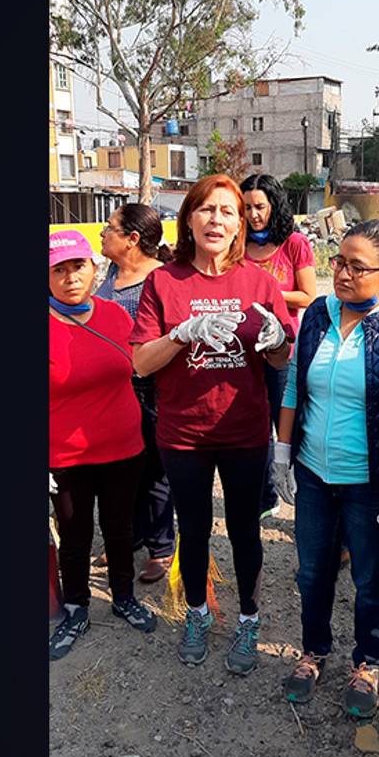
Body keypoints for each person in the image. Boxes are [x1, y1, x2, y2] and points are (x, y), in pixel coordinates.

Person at [271, 220, 379, 719]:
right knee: (311, 571)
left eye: (357, 267)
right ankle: (313, 651)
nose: (341, 274)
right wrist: (282, 452)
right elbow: (292, 390)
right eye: (338, 262)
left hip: (372, 483)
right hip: (315, 476)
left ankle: (367, 663)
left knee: (369, 578)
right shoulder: (320, 315)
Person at [130, 175, 295, 675]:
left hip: (244, 430)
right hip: (184, 434)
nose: (216, 220)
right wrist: (181, 333)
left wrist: (274, 342)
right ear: (189, 220)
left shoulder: (260, 281)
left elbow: (282, 357)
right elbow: (140, 363)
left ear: (241, 222)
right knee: (195, 529)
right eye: (206, 210)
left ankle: (248, 618)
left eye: (228, 211)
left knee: (246, 530)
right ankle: (198, 614)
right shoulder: (164, 281)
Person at [49, 230, 157, 661]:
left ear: (95, 269)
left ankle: (124, 596)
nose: (71, 277)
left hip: (124, 446)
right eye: (59, 270)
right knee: (75, 535)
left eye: (78, 266)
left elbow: (144, 366)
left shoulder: (115, 315)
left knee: (121, 529)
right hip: (65, 454)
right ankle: (76, 607)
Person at [95, 204, 176, 583]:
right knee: (123, 470)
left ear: (132, 239)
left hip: (150, 389)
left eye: (110, 229)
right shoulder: (112, 272)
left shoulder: (160, 279)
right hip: (112, 389)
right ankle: (131, 539)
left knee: (155, 471)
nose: (102, 234)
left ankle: (161, 547)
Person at [240, 173, 318, 520]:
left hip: (283, 349)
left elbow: (309, 296)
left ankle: (308, 501)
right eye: (246, 208)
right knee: (251, 426)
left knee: (286, 422)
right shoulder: (236, 244)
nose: (254, 214)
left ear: (274, 204)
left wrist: (266, 292)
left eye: (260, 206)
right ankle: (263, 497)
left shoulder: (294, 243)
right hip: (241, 349)